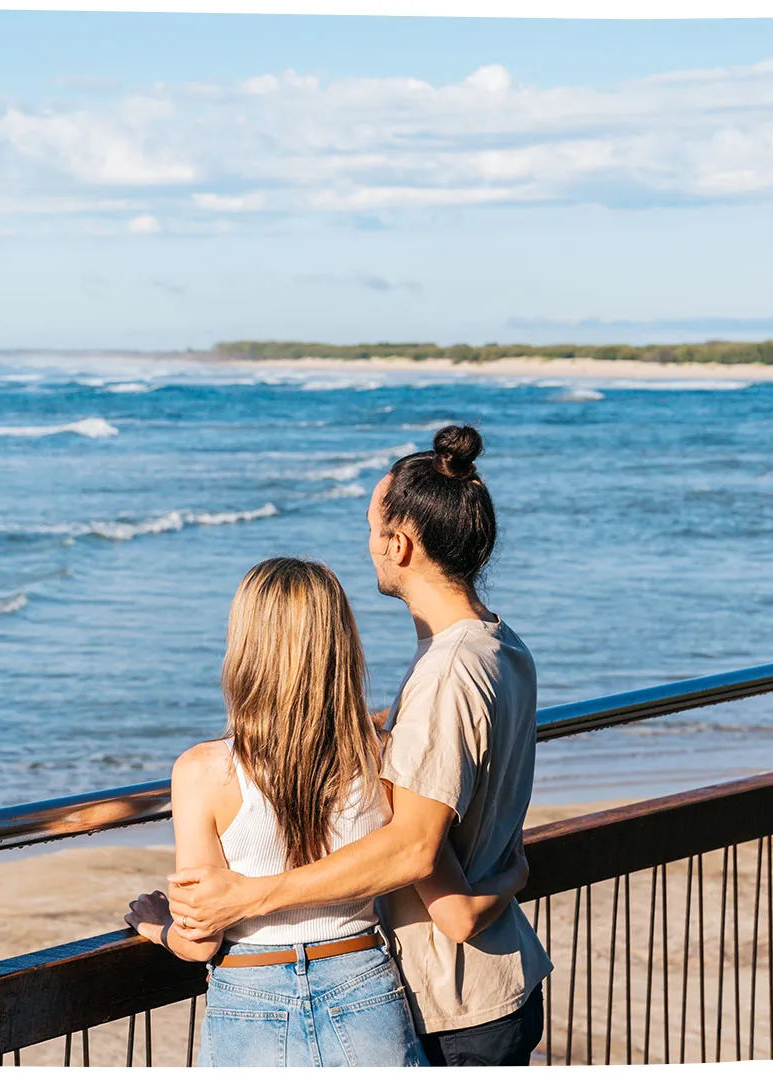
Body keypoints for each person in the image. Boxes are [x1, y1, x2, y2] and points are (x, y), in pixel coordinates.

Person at [165, 425, 553, 1068]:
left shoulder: (446, 674)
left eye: (371, 528)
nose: (368, 545)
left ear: (399, 544)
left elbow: (413, 849)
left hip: (448, 997)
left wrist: (249, 896)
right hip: (485, 983)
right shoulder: (498, 644)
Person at [122, 555, 527, 1067]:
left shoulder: (203, 771)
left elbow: (200, 940)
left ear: (245, 646)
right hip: (362, 985)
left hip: (250, 995)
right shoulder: (380, 755)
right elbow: (421, 859)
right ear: (339, 646)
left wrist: (157, 927)